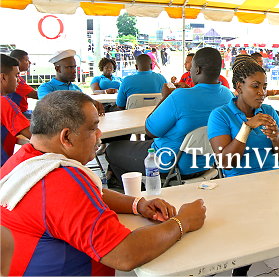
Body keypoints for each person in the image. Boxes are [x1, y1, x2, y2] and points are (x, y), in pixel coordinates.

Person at [0, 91, 206, 276]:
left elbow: (91, 193)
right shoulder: (61, 181)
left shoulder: (25, 162)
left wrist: (137, 204)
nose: (99, 135)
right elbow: (125, 254)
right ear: (67, 137)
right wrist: (183, 221)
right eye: (93, 128)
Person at [207, 55, 279, 276]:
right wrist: (246, 128)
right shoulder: (221, 115)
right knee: (251, 231)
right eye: (255, 86)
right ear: (238, 87)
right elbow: (225, 161)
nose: (262, 92)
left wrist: (276, 138)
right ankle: (240, 270)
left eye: (264, 86)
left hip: (272, 184)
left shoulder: (270, 113)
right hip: (239, 187)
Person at [105, 47, 234, 185]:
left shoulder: (179, 96)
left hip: (169, 163)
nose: (189, 71)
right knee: (141, 146)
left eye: (192, 67)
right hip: (208, 163)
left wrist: (166, 97)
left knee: (112, 149)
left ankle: (135, 192)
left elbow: (151, 131)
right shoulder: (228, 96)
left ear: (197, 70)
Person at [37, 49, 105, 115]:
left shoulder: (76, 89)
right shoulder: (46, 88)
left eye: (74, 67)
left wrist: (91, 103)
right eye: (70, 67)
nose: (74, 71)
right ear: (58, 69)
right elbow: (49, 106)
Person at [1, 54, 31, 166]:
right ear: (3, 77)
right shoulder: (4, 103)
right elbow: (33, 135)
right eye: (16, 75)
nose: (19, 80)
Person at [7, 49, 38, 118]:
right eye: (26, 60)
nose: (29, 62)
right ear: (17, 61)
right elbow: (35, 94)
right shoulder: (15, 79)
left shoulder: (17, 77)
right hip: (17, 113)